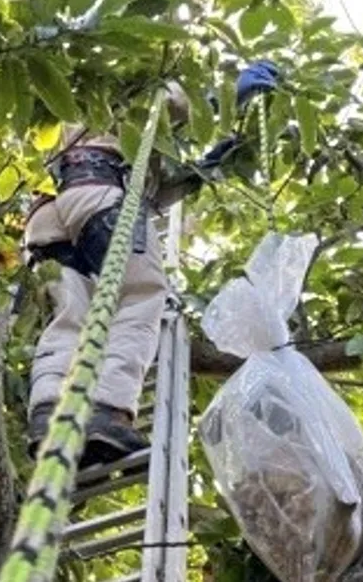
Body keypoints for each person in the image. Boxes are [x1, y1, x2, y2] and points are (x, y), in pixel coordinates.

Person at [22, 61, 281, 467]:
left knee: (71, 317)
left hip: (50, 214)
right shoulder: (135, 90)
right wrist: (232, 93)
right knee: (143, 293)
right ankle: (108, 410)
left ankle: (47, 412)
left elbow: (152, 194)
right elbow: (174, 103)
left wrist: (203, 169)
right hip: (100, 192)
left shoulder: (85, 123)